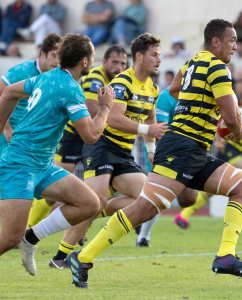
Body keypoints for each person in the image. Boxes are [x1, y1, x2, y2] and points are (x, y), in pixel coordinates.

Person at [66, 19, 242, 289]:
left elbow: (174, 89)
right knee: (144, 209)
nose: (236, 47)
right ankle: (82, 257)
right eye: (232, 41)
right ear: (216, 42)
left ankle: (226, 256)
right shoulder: (218, 68)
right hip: (182, 146)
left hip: (193, 149)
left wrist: (201, 110)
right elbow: (230, 117)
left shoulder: (194, 62)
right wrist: (237, 130)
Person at [0, 33, 114, 299]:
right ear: (85, 61)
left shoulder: (47, 77)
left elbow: (10, 91)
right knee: (7, 237)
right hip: (20, 164)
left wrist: (1, 126)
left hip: (42, 165)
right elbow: (91, 135)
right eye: (93, 54)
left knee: (90, 204)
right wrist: (105, 108)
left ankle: (30, 238)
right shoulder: (70, 89)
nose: (94, 58)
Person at [22, 33, 167, 274]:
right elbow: (116, 118)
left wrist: (151, 150)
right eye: (155, 55)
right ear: (139, 57)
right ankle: (58, 254)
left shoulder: (152, 87)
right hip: (101, 146)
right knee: (94, 201)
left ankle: (86, 212)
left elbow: (150, 116)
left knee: (149, 199)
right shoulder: (123, 83)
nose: (159, 60)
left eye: (160, 55)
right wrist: (148, 129)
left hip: (123, 153)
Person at [25, 45, 127, 268]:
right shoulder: (95, 78)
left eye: (123, 64)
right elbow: (91, 111)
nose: (119, 68)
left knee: (91, 198)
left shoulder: (118, 80)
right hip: (75, 135)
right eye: (115, 63)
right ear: (104, 61)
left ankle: (78, 223)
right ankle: (29, 231)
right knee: (53, 193)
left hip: (98, 139)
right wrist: (111, 110)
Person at [0, 33, 61, 205]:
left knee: (43, 188)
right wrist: (6, 128)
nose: (57, 61)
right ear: (42, 53)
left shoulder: (54, 77)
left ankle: (29, 230)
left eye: (60, 57)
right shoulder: (23, 71)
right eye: (54, 55)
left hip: (21, 138)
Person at [175, 91, 242, 228]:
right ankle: (239, 210)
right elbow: (224, 119)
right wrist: (218, 141)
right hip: (229, 150)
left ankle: (182, 216)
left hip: (240, 153)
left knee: (210, 190)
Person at [136, 84, 197, 246]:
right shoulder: (165, 97)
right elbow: (159, 131)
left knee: (190, 199)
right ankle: (143, 237)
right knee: (157, 193)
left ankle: (141, 206)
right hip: (161, 149)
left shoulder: (197, 97)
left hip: (186, 152)